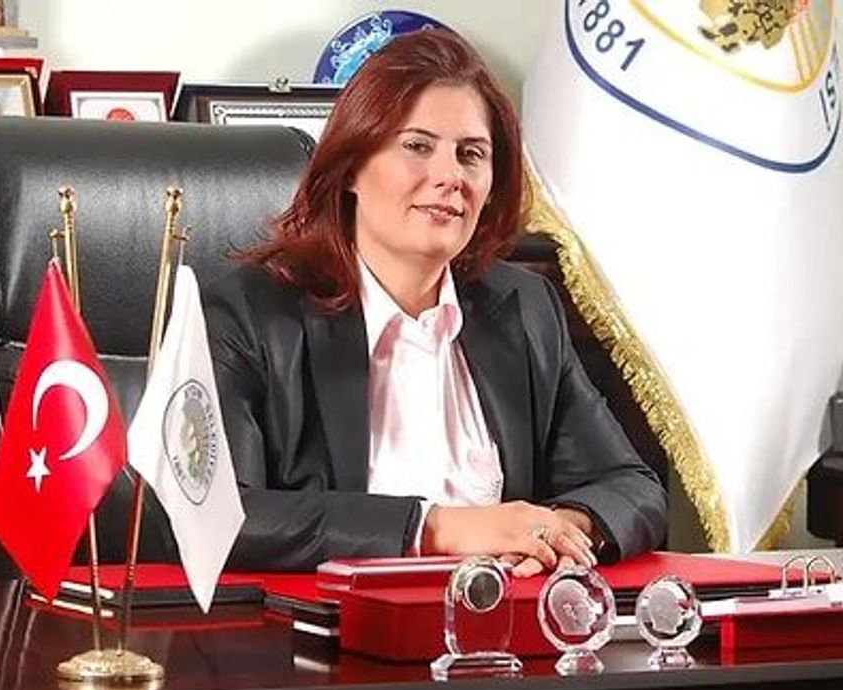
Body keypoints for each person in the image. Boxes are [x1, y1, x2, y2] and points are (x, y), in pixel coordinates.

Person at [204, 28, 667, 576]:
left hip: (500, 618)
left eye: (471, 155)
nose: (450, 177)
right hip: (328, 626)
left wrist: (557, 530)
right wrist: (436, 528)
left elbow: (631, 486)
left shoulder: (522, 308)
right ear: (351, 167)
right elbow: (218, 515)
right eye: (417, 146)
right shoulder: (249, 311)